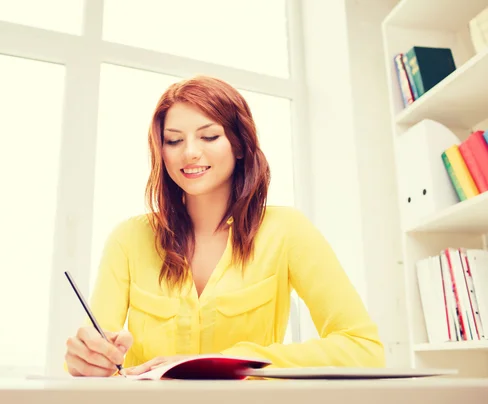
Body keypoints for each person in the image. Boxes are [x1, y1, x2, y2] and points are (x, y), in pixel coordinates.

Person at [64, 75, 385, 377]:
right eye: (173, 140)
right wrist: (86, 361)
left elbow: (364, 349)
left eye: (209, 136)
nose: (190, 152)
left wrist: (226, 363)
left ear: (240, 144)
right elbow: (97, 354)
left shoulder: (288, 231)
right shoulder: (129, 239)